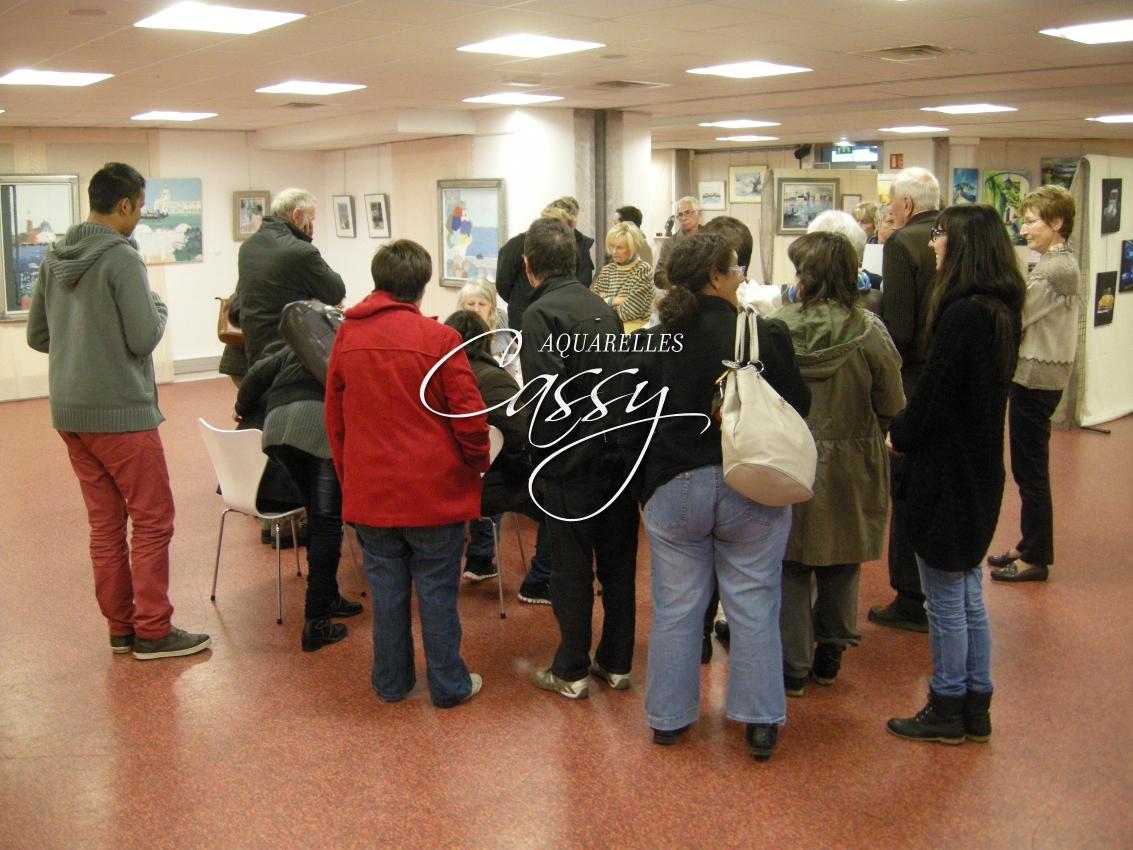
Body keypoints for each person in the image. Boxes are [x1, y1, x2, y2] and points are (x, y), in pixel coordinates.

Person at [625, 232, 809, 761]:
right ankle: (760, 721)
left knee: (677, 607)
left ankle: (668, 719)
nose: (741, 276)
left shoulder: (654, 342)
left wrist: (645, 488)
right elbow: (799, 404)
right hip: (750, 480)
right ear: (715, 277)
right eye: (735, 267)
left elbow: (630, 419)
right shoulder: (761, 335)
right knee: (754, 603)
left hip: (674, 484)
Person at [26, 162, 210, 660]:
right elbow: (144, 336)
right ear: (124, 204)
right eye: (141, 207)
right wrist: (161, 308)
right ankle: (154, 630)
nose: (141, 217)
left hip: (70, 414)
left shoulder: (54, 256)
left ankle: (121, 629)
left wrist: (82, 345)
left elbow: (38, 335)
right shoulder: (122, 258)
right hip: (121, 414)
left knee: (105, 525)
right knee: (153, 520)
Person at [325, 240, 489, 709]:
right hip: (435, 493)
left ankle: (391, 681)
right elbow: (469, 418)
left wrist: (349, 477)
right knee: (437, 593)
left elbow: (335, 420)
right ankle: (448, 685)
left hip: (372, 491)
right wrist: (477, 465)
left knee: (386, 593)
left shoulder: (347, 337)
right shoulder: (441, 340)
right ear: (422, 287)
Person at [886, 204, 1024, 745]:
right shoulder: (1002, 310)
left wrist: (898, 434)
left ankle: (946, 705)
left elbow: (933, 395)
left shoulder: (963, 314)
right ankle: (975, 704)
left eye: (940, 235)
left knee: (945, 600)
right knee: (966, 593)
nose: (932, 243)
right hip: (980, 469)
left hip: (946, 473)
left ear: (962, 244)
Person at [772, 232, 904, 697]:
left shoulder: (776, 326)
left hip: (789, 457)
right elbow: (892, 400)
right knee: (842, 557)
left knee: (789, 561)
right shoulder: (869, 330)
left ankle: (792, 665)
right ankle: (831, 650)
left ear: (805, 276)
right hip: (853, 457)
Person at [520, 217, 640, 700]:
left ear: (529, 266)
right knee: (618, 565)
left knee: (571, 570)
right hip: (618, 454)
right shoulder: (603, 309)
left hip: (572, 463)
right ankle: (616, 662)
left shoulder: (540, 314)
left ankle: (570, 669)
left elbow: (545, 400)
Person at [235, 338, 363, 652]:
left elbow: (257, 374)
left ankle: (328, 596)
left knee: (317, 514)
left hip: (277, 427)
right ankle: (317, 621)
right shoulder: (352, 343)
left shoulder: (305, 341)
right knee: (327, 522)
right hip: (319, 425)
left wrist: (240, 409)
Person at [988, 186, 1080, 584]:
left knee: (1030, 470)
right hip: (1035, 377)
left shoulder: (1055, 269)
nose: (1023, 230)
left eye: (1030, 222)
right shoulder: (1053, 263)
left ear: (1056, 223)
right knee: (1028, 468)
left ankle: (1036, 556)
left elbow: (1018, 315)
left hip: (1037, 379)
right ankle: (1028, 543)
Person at [442, 311, 555, 605]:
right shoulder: (494, 381)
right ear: (488, 340)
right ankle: (540, 580)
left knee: (492, 468)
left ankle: (480, 559)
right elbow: (522, 436)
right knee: (558, 499)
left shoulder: (434, 378)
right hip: (482, 487)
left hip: (444, 484)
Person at [873, 166, 941, 633]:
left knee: (907, 485)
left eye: (893, 202)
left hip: (912, 377)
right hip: (947, 371)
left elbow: (897, 327)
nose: (890, 210)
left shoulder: (902, 244)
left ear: (908, 205)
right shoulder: (953, 236)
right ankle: (934, 586)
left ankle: (910, 596)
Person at [234, 187, 346, 368]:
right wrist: (305, 241)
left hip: (254, 347)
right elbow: (336, 292)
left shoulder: (248, 246)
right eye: (311, 219)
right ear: (297, 215)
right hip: (289, 350)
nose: (312, 226)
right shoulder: (300, 251)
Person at [495, 200, 579, 333]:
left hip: (559, 312)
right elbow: (503, 283)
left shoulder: (569, 247)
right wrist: (521, 298)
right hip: (523, 314)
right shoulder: (516, 245)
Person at [591, 221, 655, 332]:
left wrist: (606, 300)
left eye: (620, 247)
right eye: (612, 246)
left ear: (632, 248)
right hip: (608, 332)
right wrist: (614, 300)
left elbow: (629, 312)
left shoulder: (642, 270)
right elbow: (592, 306)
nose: (614, 251)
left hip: (634, 334)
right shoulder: (607, 270)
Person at [455, 278, 518, 379]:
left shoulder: (501, 318)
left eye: (482, 304)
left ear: (492, 306)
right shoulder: (458, 328)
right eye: (471, 304)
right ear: (463, 306)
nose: (476, 309)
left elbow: (512, 348)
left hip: (507, 379)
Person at [653, 196, 701, 290]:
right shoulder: (670, 243)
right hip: (679, 291)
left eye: (688, 213)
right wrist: (677, 286)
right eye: (680, 215)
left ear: (699, 214)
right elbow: (659, 275)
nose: (684, 218)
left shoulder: (710, 239)